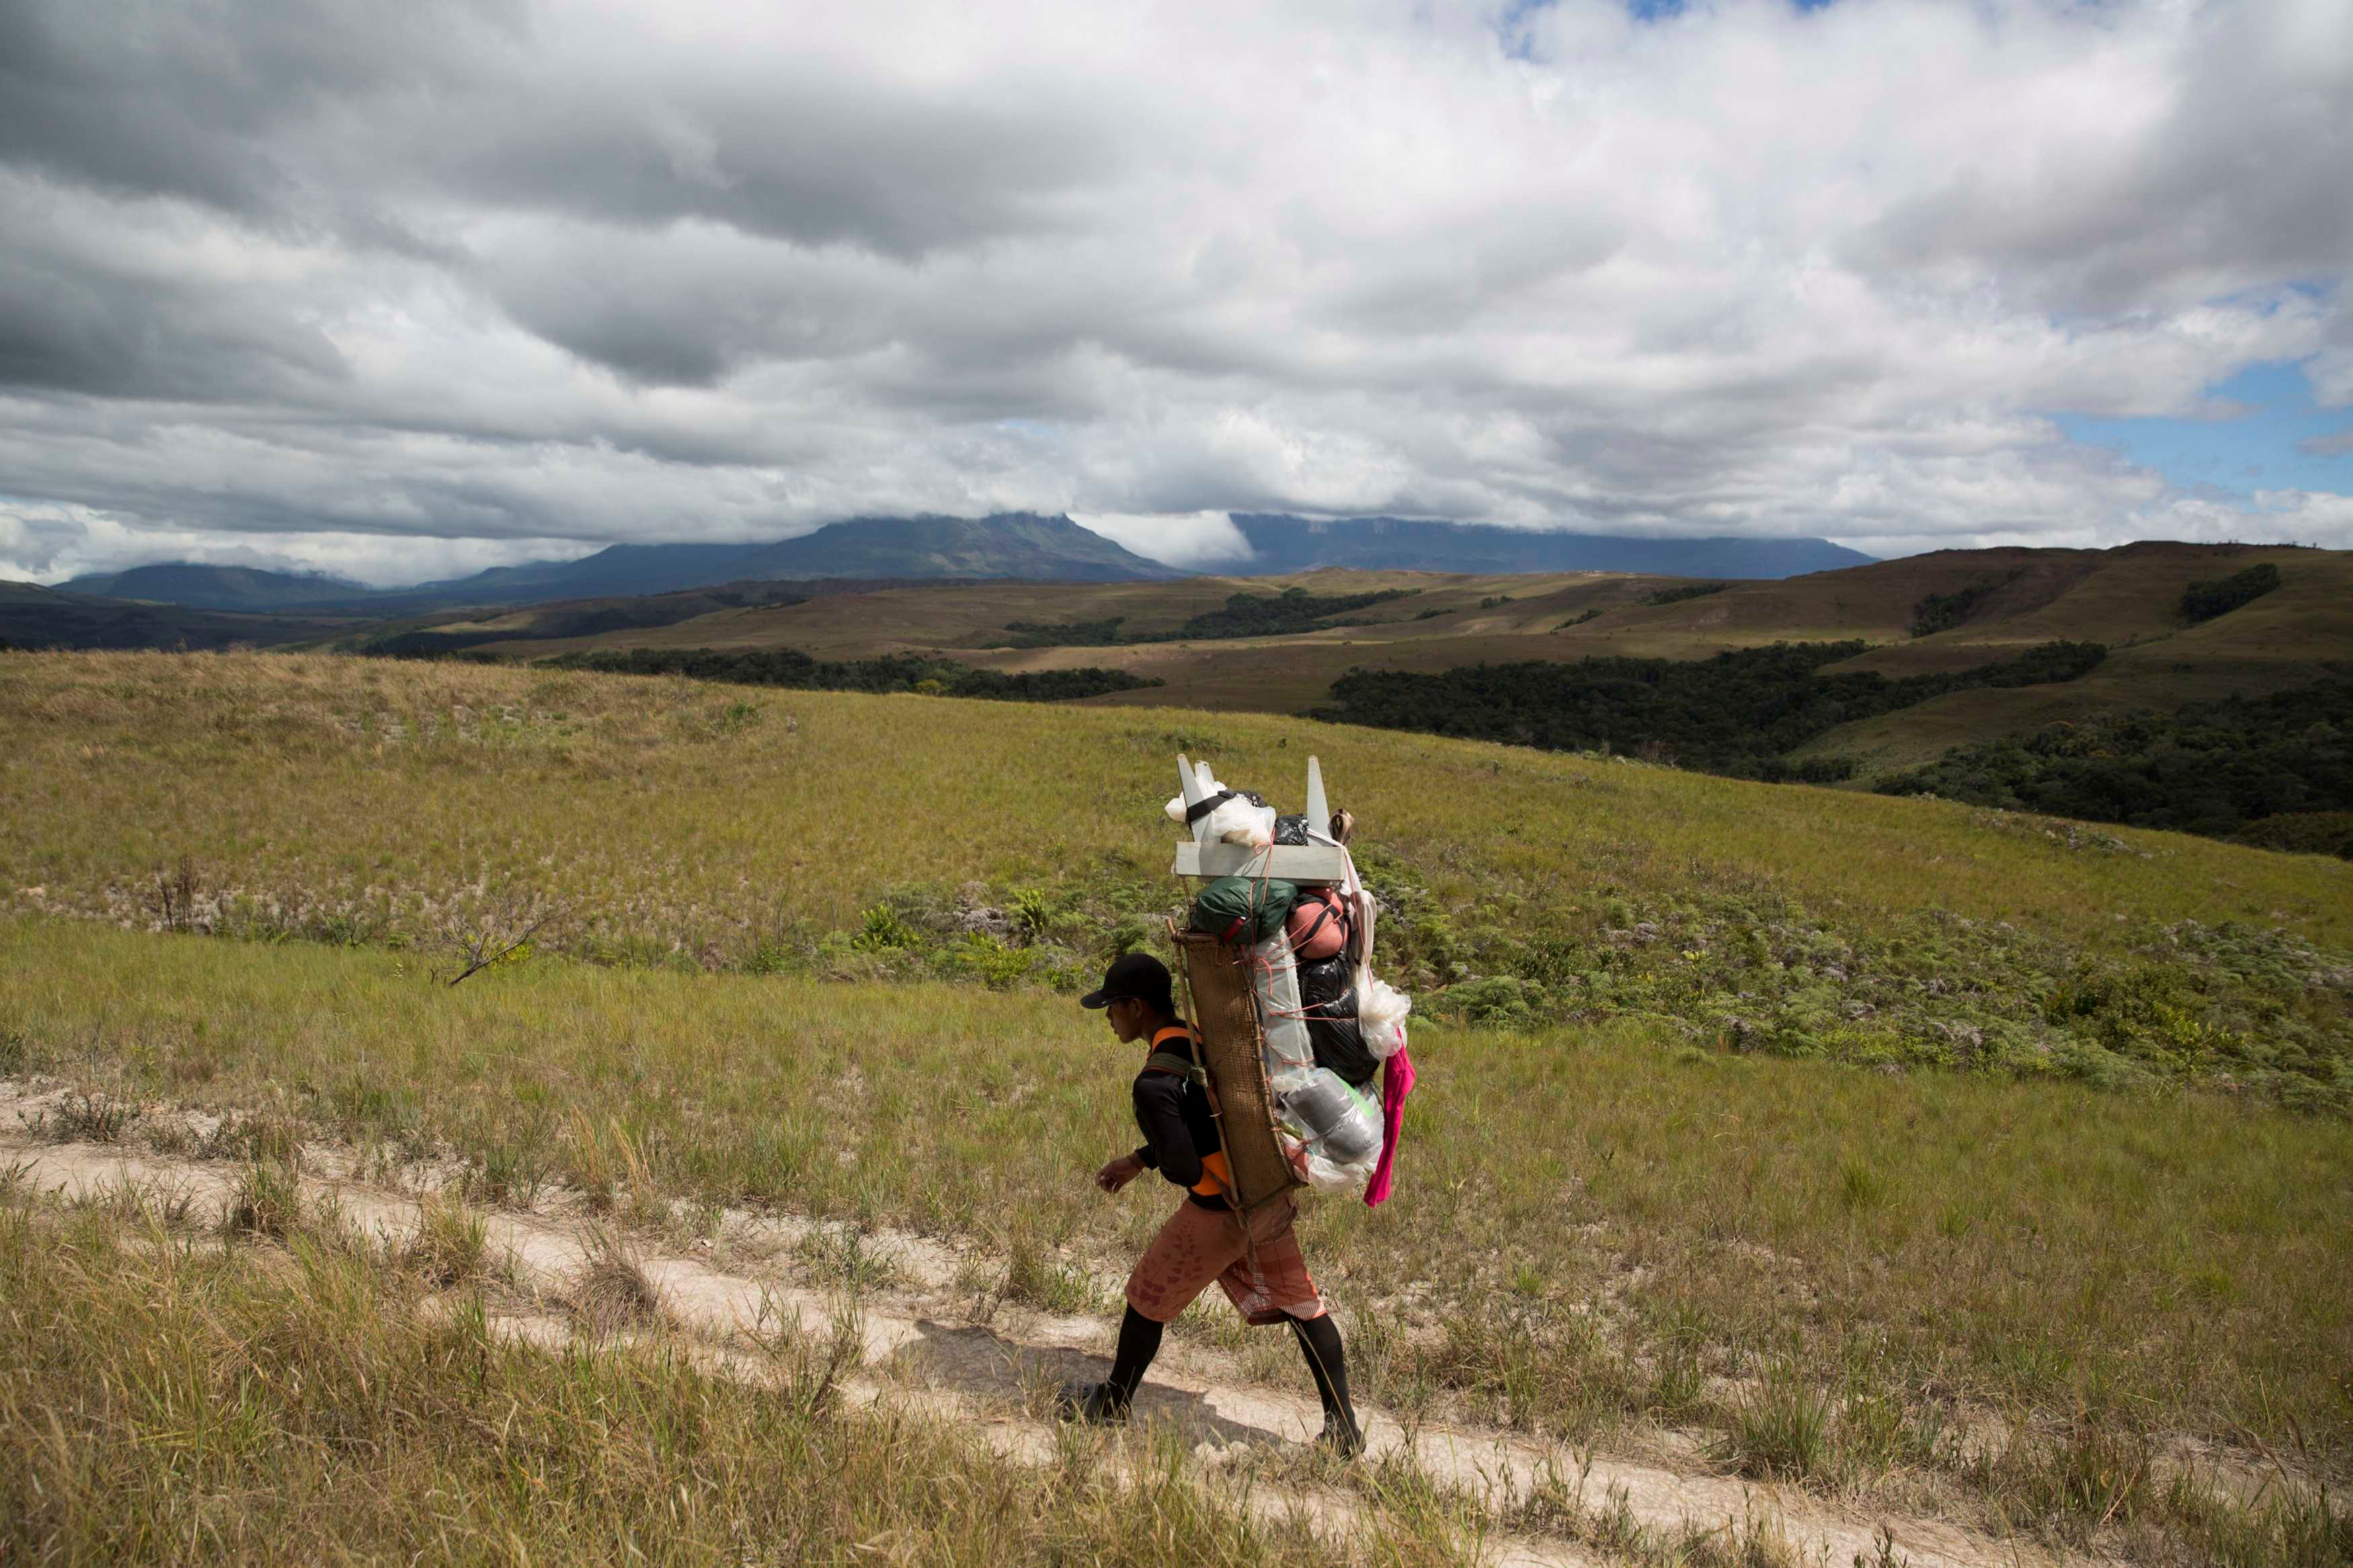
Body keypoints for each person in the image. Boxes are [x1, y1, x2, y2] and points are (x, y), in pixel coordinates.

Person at [1058, 951, 1363, 1455]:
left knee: (1145, 1298)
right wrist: (1139, 1159)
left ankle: (1112, 1403)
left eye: (1112, 1007)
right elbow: (1202, 1122)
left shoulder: (1153, 1081)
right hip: (1262, 1197)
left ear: (1136, 1007)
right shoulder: (1197, 1039)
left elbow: (1181, 1161)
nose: (1108, 1018)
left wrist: (1202, 1182)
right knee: (1304, 1305)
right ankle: (1344, 1425)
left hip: (1218, 1213)